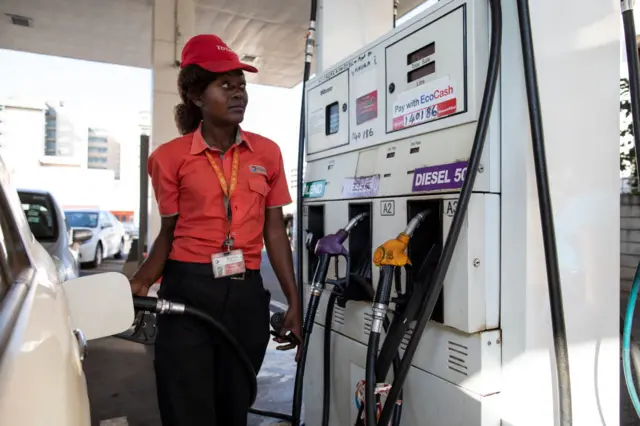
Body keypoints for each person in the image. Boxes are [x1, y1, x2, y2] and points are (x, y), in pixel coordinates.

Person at [129, 34, 302, 426]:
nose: (238, 93)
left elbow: (275, 231)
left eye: (241, 86)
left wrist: (294, 300)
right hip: (188, 292)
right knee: (187, 409)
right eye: (225, 85)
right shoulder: (168, 158)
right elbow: (168, 233)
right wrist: (139, 284)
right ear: (195, 95)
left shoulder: (267, 153)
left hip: (246, 296)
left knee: (233, 408)